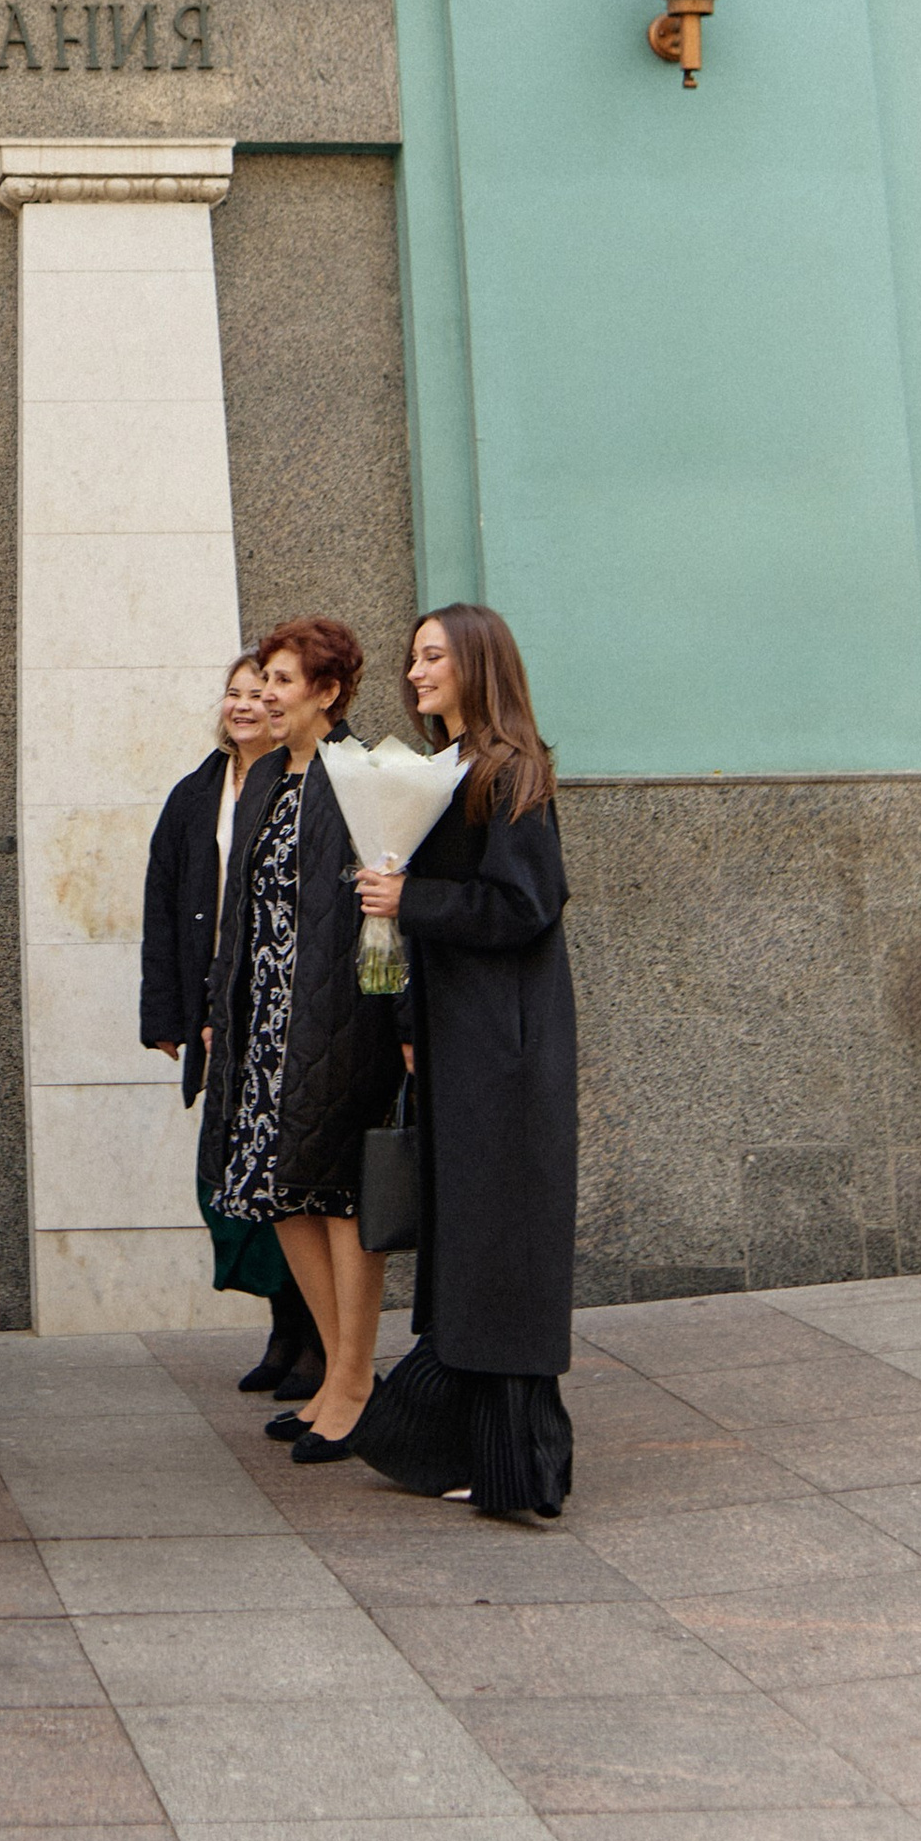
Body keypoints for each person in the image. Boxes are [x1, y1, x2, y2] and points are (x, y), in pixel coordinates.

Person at [351, 604, 579, 1523]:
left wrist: (412, 896)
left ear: (478, 664)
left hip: (506, 1052)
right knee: (474, 1245)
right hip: (461, 1042)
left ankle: (518, 1461)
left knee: (498, 1247)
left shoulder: (512, 770)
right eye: (412, 658)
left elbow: (524, 904)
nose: (414, 672)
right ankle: (476, 1450)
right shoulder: (452, 770)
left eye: (433, 656)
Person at [198, 615, 402, 1462]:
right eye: (265, 679)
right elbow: (238, 913)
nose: (269, 694)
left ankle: (356, 1380)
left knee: (339, 1197)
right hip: (264, 1024)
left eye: (284, 681)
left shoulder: (363, 777)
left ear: (329, 691)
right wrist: (220, 1008)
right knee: (279, 1192)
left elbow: (382, 911)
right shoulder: (269, 780)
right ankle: (334, 1371)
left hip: (337, 1020)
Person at [140, 653, 324, 1402]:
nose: (247, 704)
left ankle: (315, 1337)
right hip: (219, 1010)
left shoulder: (306, 781)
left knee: (289, 1173)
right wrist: (167, 1013)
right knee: (234, 1177)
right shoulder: (194, 794)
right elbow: (161, 902)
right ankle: (285, 1327)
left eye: (263, 691)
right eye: (237, 692)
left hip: (280, 1008)